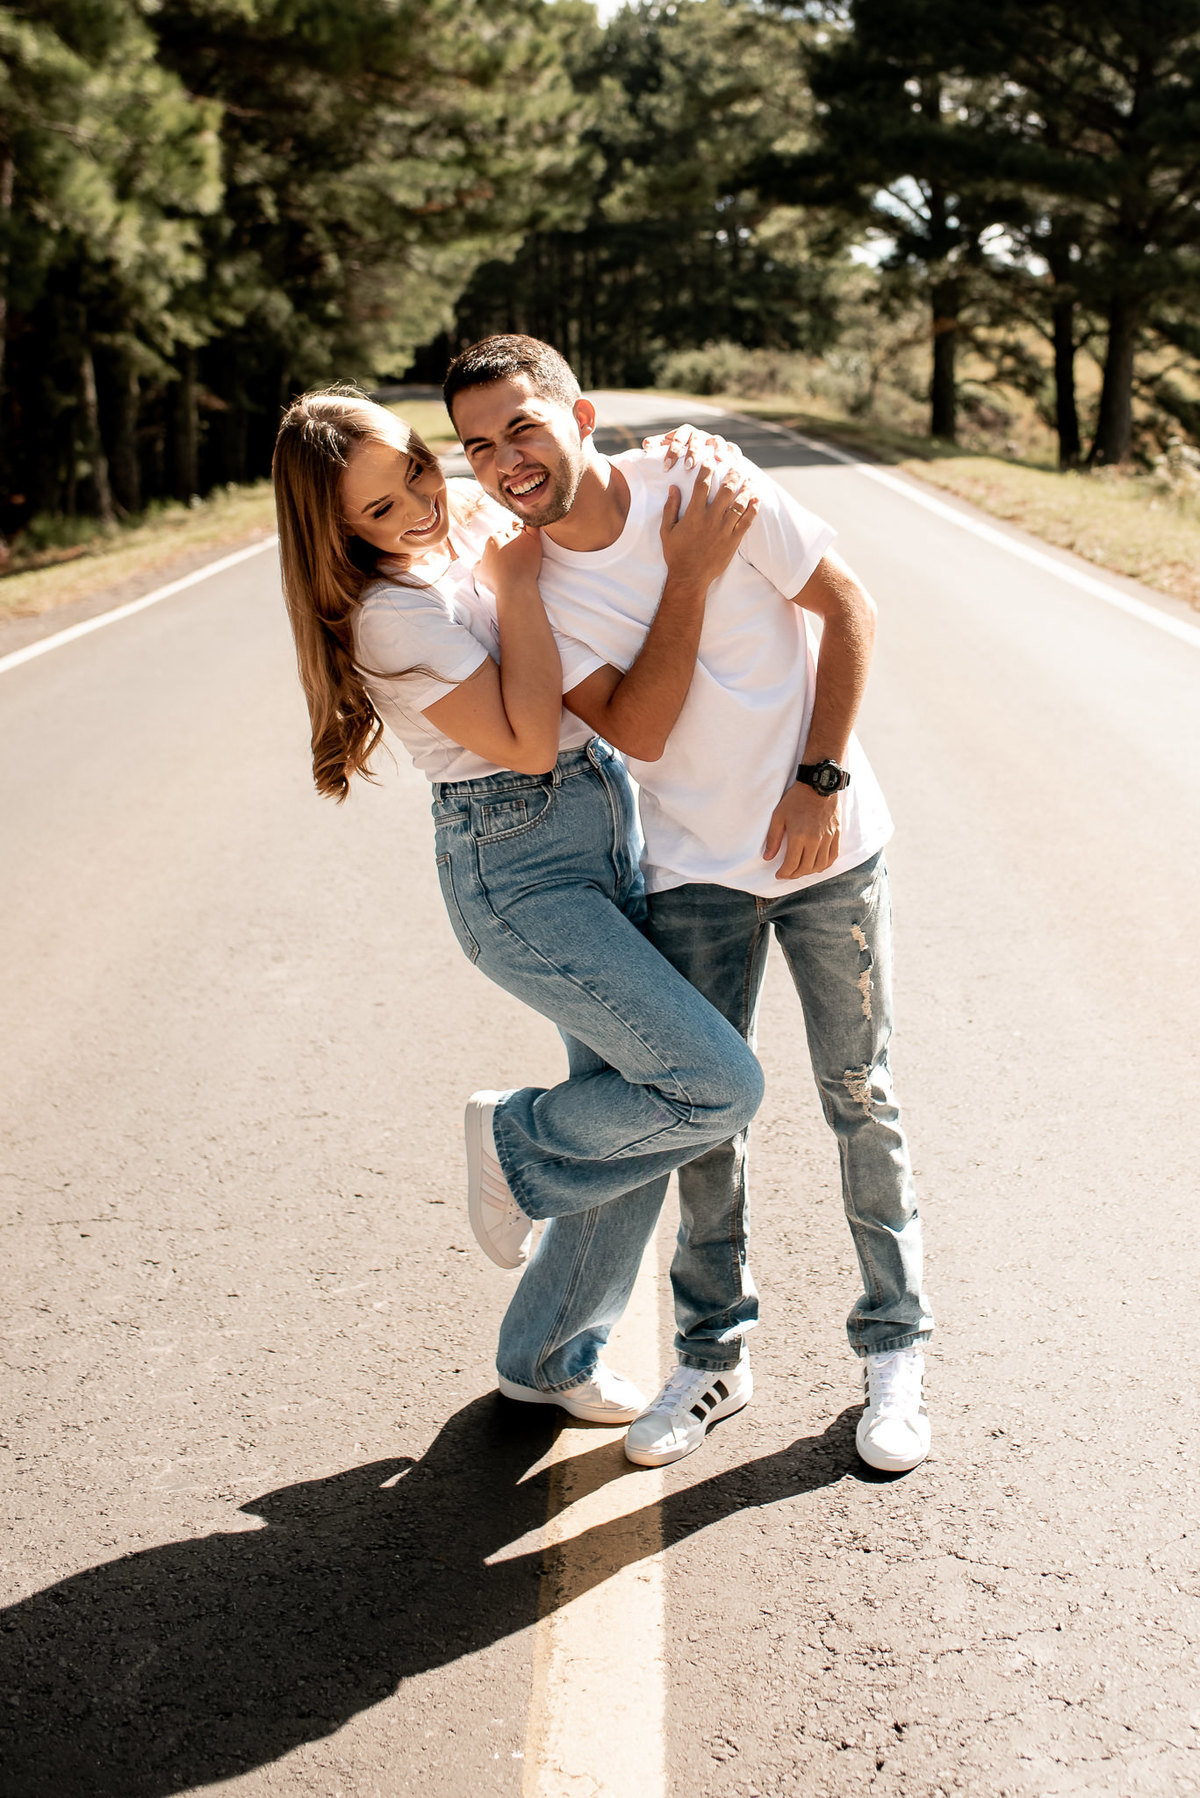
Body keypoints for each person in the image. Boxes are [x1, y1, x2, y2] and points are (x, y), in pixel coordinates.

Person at [442, 336, 935, 1475]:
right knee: (710, 1119)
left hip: (832, 851)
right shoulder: (523, 593)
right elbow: (644, 731)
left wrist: (822, 776)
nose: (505, 459)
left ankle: (894, 1350)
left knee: (863, 1098)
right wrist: (692, 574)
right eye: (478, 445)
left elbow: (848, 608)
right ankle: (715, 1356)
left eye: (522, 426)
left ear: (579, 414)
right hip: (691, 871)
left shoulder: (704, 481)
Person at [272, 386, 766, 1426]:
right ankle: (515, 1144)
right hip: (518, 870)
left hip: (602, 824)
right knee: (710, 1084)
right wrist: (519, 587)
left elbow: (569, 494)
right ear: (336, 533)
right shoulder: (388, 616)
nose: (417, 505)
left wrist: (666, 449)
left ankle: (547, 1353)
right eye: (377, 510)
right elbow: (530, 740)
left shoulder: (459, 503)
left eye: (413, 467)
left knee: (636, 1118)